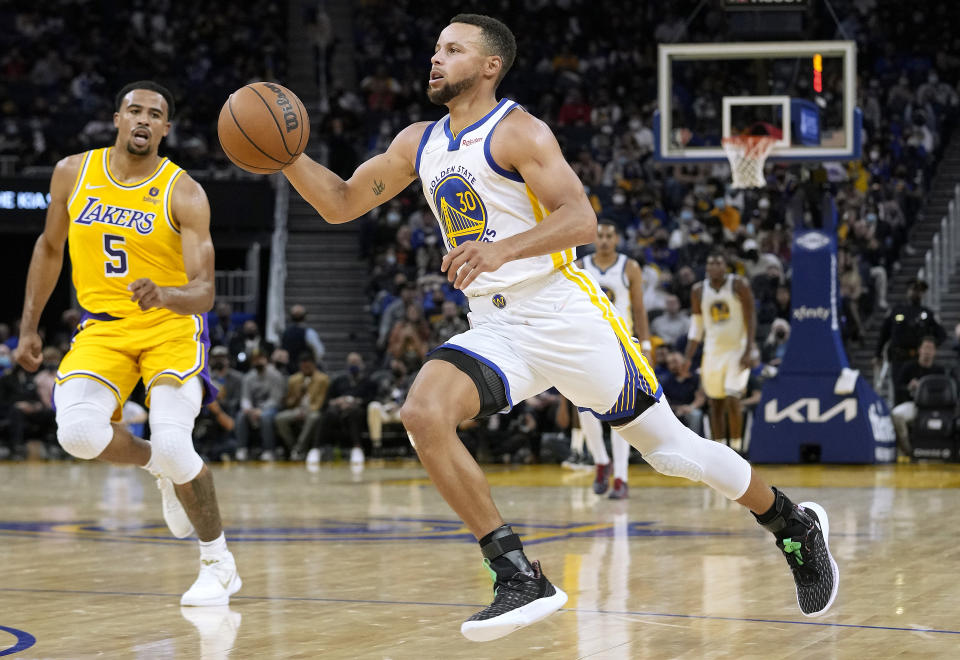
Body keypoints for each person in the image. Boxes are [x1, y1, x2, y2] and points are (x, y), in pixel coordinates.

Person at [280, 15, 837, 641]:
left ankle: (791, 524)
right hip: (493, 325)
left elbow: (581, 220)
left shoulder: (519, 131)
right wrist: (288, 155)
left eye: (454, 49)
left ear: (490, 65)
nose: (436, 59)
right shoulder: (419, 141)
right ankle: (517, 574)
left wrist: (501, 250)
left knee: (673, 453)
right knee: (422, 413)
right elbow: (341, 202)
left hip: (564, 315)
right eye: (436, 48)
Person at [14, 81, 240, 606]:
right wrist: (29, 326)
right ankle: (157, 465)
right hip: (105, 326)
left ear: (165, 128)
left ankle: (218, 562)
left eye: (154, 114)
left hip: (168, 325)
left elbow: (204, 292)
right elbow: (49, 248)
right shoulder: (73, 172)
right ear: (117, 118)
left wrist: (166, 293)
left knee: (175, 440)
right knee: (77, 434)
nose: (143, 119)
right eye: (134, 110)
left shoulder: (183, 191)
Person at [577, 220, 651, 499]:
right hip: (588, 342)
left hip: (622, 344)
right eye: (600, 235)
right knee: (582, 407)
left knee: (622, 412)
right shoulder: (581, 266)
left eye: (609, 235)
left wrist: (645, 346)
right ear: (593, 237)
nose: (605, 240)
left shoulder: (629, 267)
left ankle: (620, 478)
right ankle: (600, 461)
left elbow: (640, 310)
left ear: (617, 238)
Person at [683, 249, 756, 453]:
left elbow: (751, 317)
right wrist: (687, 358)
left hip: (737, 349)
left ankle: (737, 449)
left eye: (717, 263)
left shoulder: (739, 284)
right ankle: (720, 451)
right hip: (712, 352)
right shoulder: (698, 290)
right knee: (715, 402)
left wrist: (749, 348)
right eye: (710, 263)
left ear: (725, 266)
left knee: (733, 398)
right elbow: (696, 328)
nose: (713, 267)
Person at [875, 278, 945, 387]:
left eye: (920, 291)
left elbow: (941, 334)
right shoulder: (897, 311)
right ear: (908, 291)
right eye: (914, 289)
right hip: (899, 358)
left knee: (920, 389)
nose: (916, 293)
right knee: (899, 388)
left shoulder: (927, 313)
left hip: (918, 360)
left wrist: (929, 347)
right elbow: (884, 333)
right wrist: (877, 354)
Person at [890, 337, 945, 455]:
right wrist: (909, 387)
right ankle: (908, 450)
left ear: (935, 351)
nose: (927, 351)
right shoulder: (908, 367)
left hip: (935, 408)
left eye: (930, 349)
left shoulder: (940, 370)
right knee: (896, 415)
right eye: (925, 348)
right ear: (919, 350)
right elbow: (898, 387)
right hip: (914, 405)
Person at [274, 351, 329, 459]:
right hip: (297, 409)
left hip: (313, 410)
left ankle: (299, 448)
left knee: (313, 417)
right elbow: (289, 403)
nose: (305, 369)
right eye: (303, 367)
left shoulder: (323, 379)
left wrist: (307, 412)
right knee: (279, 418)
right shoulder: (294, 379)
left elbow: (320, 401)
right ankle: (293, 447)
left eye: (308, 366)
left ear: (313, 365)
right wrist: (298, 395)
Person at [234, 348, 285, 461]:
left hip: (271, 407)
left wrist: (260, 410)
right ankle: (242, 448)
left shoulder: (275, 375)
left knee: (265, 417)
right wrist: (249, 409)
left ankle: (269, 450)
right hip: (253, 408)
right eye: (255, 360)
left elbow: (275, 399)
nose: (258, 362)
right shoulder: (248, 377)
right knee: (241, 415)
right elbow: (245, 397)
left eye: (260, 359)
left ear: (266, 359)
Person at [280, 304, 325, 372]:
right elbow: (319, 352)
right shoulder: (308, 332)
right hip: (307, 369)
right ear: (305, 317)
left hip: (290, 369)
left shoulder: (285, 333)